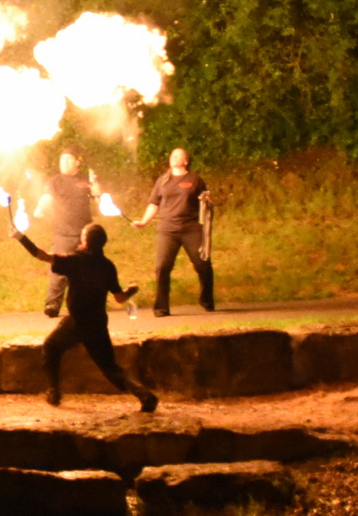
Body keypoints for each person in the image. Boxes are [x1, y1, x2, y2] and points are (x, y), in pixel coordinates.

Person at [12, 221, 157, 412]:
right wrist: (131, 290)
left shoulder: (76, 260)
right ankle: (145, 395)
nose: (80, 237)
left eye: (83, 235)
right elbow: (120, 298)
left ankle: (53, 391)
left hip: (77, 322)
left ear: (86, 241)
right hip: (97, 322)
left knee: (51, 347)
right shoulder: (107, 266)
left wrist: (21, 237)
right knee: (110, 367)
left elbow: (42, 255)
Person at [131, 148, 214, 317]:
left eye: (178, 155)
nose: (174, 157)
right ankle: (161, 307)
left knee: (202, 264)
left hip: (191, 228)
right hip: (167, 229)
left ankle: (207, 299)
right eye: (172, 155)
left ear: (185, 161)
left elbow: (206, 203)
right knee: (162, 267)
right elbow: (154, 203)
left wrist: (208, 202)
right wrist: (144, 221)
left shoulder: (195, 180)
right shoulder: (163, 180)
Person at [33, 150, 102, 317]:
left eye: (68, 159)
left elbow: (99, 201)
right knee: (58, 270)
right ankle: (52, 305)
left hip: (85, 234)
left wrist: (98, 191)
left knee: (87, 271)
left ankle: (88, 305)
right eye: (61, 158)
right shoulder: (54, 181)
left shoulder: (86, 180)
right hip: (63, 232)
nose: (63, 161)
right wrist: (39, 209)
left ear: (77, 162)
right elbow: (46, 197)